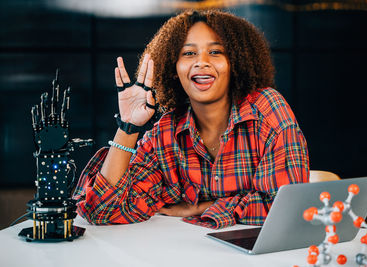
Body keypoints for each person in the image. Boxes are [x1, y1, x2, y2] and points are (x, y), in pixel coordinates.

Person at [73, 9, 309, 229]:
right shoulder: (166, 133)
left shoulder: (267, 109)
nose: (201, 62)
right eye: (189, 53)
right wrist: (128, 127)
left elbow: (288, 210)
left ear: (236, 62)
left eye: (216, 52)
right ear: (174, 68)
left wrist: (202, 208)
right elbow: (102, 210)